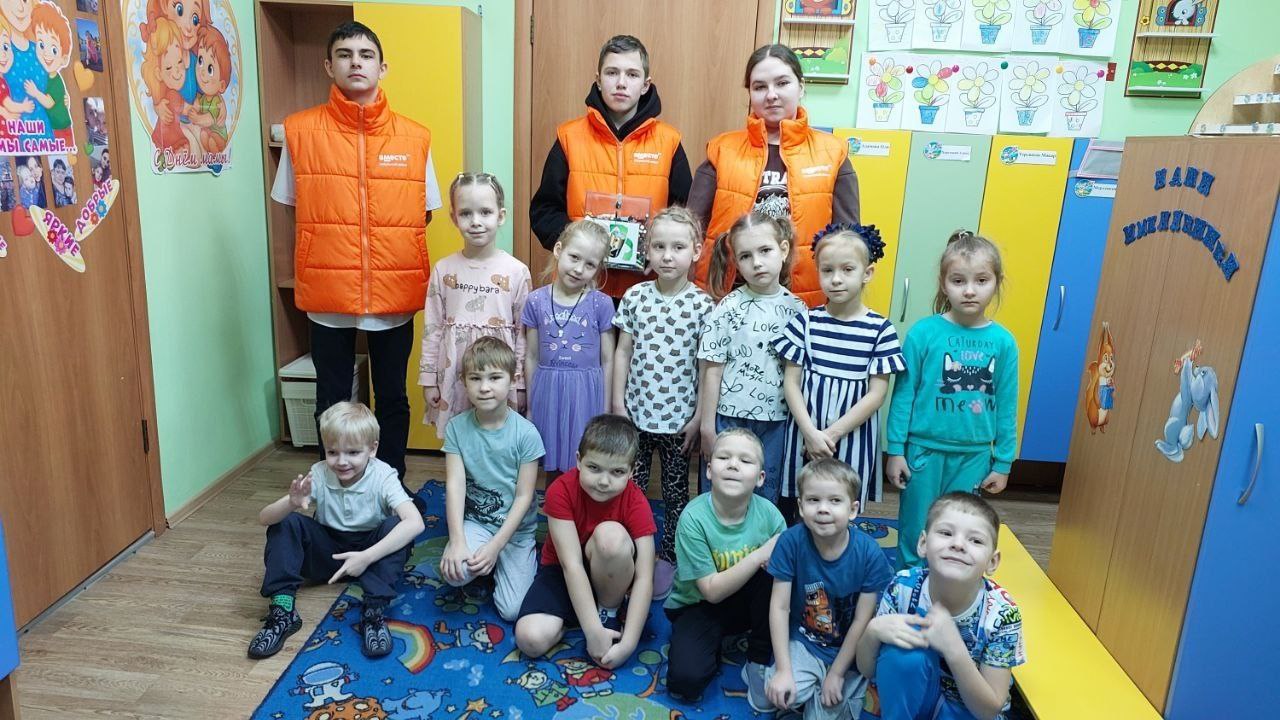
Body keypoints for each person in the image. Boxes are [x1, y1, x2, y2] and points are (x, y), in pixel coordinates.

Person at [272, 21, 441, 501]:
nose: (356, 63)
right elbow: (293, 204)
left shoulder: (414, 137)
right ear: (329, 66)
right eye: (345, 55)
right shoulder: (301, 132)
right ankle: (334, 487)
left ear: (382, 67)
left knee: (392, 396)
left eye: (366, 55)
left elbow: (424, 210)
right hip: (328, 291)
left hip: (392, 290)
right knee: (332, 397)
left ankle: (391, 484)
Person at [883, 231, 1018, 568]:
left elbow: (1007, 405)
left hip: (974, 456)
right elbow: (903, 395)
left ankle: (946, 588)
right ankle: (907, 587)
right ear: (944, 284)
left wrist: (1003, 461)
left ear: (997, 282)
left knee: (958, 529)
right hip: (922, 453)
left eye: (981, 280)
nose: (969, 290)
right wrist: (895, 450)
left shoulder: (1004, 342)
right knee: (916, 527)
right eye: (959, 281)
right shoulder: (923, 333)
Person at [249, 402, 424, 660]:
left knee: (397, 527)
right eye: (332, 452)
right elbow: (264, 518)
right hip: (329, 552)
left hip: (370, 556)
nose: (341, 462)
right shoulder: (319, 473)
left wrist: (366, 557)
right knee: (286, 522)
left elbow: (416, 523)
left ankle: (373, 612)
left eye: (353, 452)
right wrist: (291, 503)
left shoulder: (384, 475)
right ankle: (283, 611)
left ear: (372, 449)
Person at [690, 44, 860, 308]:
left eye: (782, 83)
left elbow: (849, 239)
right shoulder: (721, 150)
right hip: (728, 299)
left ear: (800, 87)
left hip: (804, 299)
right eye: (760, 87)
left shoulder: (832, 153)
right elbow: (690, 229)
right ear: (749, 93)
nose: (771, 95)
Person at [529, 34, 693, 301]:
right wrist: (580, 247)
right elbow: (543, 212)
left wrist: (661, 251)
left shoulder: (669, 142)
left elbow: (686, 216)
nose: (621, 83)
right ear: (598, 79)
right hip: (582, 287)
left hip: (647, 291)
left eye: (632, 74)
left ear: (645, 85)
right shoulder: (569, 137)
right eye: (612, 72)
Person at [611, 206, 713, 597]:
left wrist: (700, 415)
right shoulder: (636, 297)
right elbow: (622, 352)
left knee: (675, 494)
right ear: (647, 251)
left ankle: (669, 555)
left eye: (678, 247)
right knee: (631, 490)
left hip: (679, 423)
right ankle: (632, 552)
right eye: (659, 247)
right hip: (635, 417)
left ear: (696, 251)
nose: (667, 256)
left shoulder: (702, 305)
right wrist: (617, 404)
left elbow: (706, 365)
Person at [774, 224, 904, 524]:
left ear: (867, 273)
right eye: (827, 270)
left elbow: (876, 395)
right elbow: (791, 383)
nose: (835, 279)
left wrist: (832, 434)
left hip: (851, 437)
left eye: (847, 270)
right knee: (802, 505)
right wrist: (810, 433)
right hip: (805, 435)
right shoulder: (806, 322)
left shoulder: (881, 330)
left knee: (842, 507)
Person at [856, 493, 1025, 720]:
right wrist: (873, 631)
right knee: (903, 654)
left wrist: (954, 649)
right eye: (946, 533)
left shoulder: (1002, 613)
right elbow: (868, 670)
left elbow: (989, 710)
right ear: (923, 544)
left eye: (975, 540)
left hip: (968, 709)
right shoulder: (902, 588)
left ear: (992, 562)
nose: (958, 544)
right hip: (913, 697)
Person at [754, 458, 893, 719]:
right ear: (801, 507)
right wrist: (783, 670)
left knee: (824, 713)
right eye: (813, 500)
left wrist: (837, 673)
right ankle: (796, 686)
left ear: (853, 509)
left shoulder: (870, 553)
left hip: (850, 652)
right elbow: (779, 607)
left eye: (835, 501)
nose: (823, 509)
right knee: (780, 693)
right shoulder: (790, 541)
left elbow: (862, 620)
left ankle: (819, 692)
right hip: (806, 642)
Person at [515, 414, 656, 670]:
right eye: (594, 468)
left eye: (617, 472)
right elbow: (571, 565)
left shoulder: (636, 502)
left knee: (610, 537)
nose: (603, 481)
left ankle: (608, 610)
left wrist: (628, 643)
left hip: (611, 574)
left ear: (632, 471)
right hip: (563, 571)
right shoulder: (560, 490)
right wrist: (592, 632)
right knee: (529, 639)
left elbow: (645, 576)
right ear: (579, 460)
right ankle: (582, 618)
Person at [663, 429, 784, 701]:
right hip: (698, 605)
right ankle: (714, 641)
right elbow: (711, 592)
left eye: (745, 460)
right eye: (724, 457)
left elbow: (785, 583)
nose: (733, 465)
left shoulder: (770, 516)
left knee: (776, 572)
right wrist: (760, 554)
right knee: (685, 682)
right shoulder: (693, 518)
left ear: (760, 478)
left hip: (748, 603)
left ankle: (758, 658)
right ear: (709, 470)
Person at [697, 211, 805, 502]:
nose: (757, 262)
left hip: (776, 421)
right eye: (746, 256)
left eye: (765, 251)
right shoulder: (728, 307)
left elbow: (798, 375)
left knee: (765, 493)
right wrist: (707, 425)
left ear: (783, 250)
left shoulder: (798, 310)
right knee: (722, 488)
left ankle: (762, 534)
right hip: (728, 418)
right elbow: (713, 370)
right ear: (736, 261)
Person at [438, 337, 545, 621]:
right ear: (464, 382)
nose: (484, 387)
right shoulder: (456, 428)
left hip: (516, 530)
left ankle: (504, 561)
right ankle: (483, 561)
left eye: (495, 378)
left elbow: (524, 496)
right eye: (476, 378)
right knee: (455, 574)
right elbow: (455, 485)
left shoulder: (527, 434)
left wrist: (496, 547)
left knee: (512, 611)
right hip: (478, 523)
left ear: (512, 380)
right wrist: (457, 541)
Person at [420, 173, 530, 438]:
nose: (476, 221)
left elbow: (523, 334)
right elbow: (432, 328)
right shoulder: (444, 269)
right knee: (459, 438)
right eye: (466, 213)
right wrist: (428, 379)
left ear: (500, 216)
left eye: (485, 212)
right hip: (454, 373)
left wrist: (519, 382)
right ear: (454, 217)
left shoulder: (516, 272)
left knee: (499, 437)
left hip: (499, 374)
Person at [522, 221, 615, 477]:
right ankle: (555, 501)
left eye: (590, 264)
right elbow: (531, 355)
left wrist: (605, 407)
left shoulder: (602, 304)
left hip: (586, 393)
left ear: (599, 268)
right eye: (574, 257)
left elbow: (608, 359)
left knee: (586, 459)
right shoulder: (535, 301)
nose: (579, 269)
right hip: (548, 391)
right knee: (551, 462)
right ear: (558, 250)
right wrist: (530, 405)